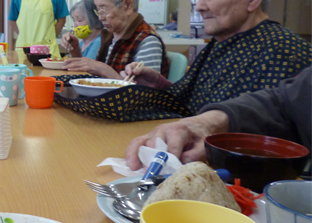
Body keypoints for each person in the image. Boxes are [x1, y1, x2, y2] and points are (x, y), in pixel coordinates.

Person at [121, 0, 312, 116]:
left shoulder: (286, 53)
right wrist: (158, 84)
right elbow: (192, 105)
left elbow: (264, 130)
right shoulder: (220, 43)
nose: (199, 6)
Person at [125, 65, 312, 170]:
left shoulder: (279, 55)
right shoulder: (219, 47)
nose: (199, 6)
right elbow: (283, 102)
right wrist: (206, 123)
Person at [63, 0, 169, 78]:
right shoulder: (110, 36)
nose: (100, 17)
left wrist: (104, 69)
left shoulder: (147, 41)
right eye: (98, 10)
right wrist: (75, 50)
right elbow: (92, 79)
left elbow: (144, 92)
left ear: (127, 5)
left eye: (104, 9)